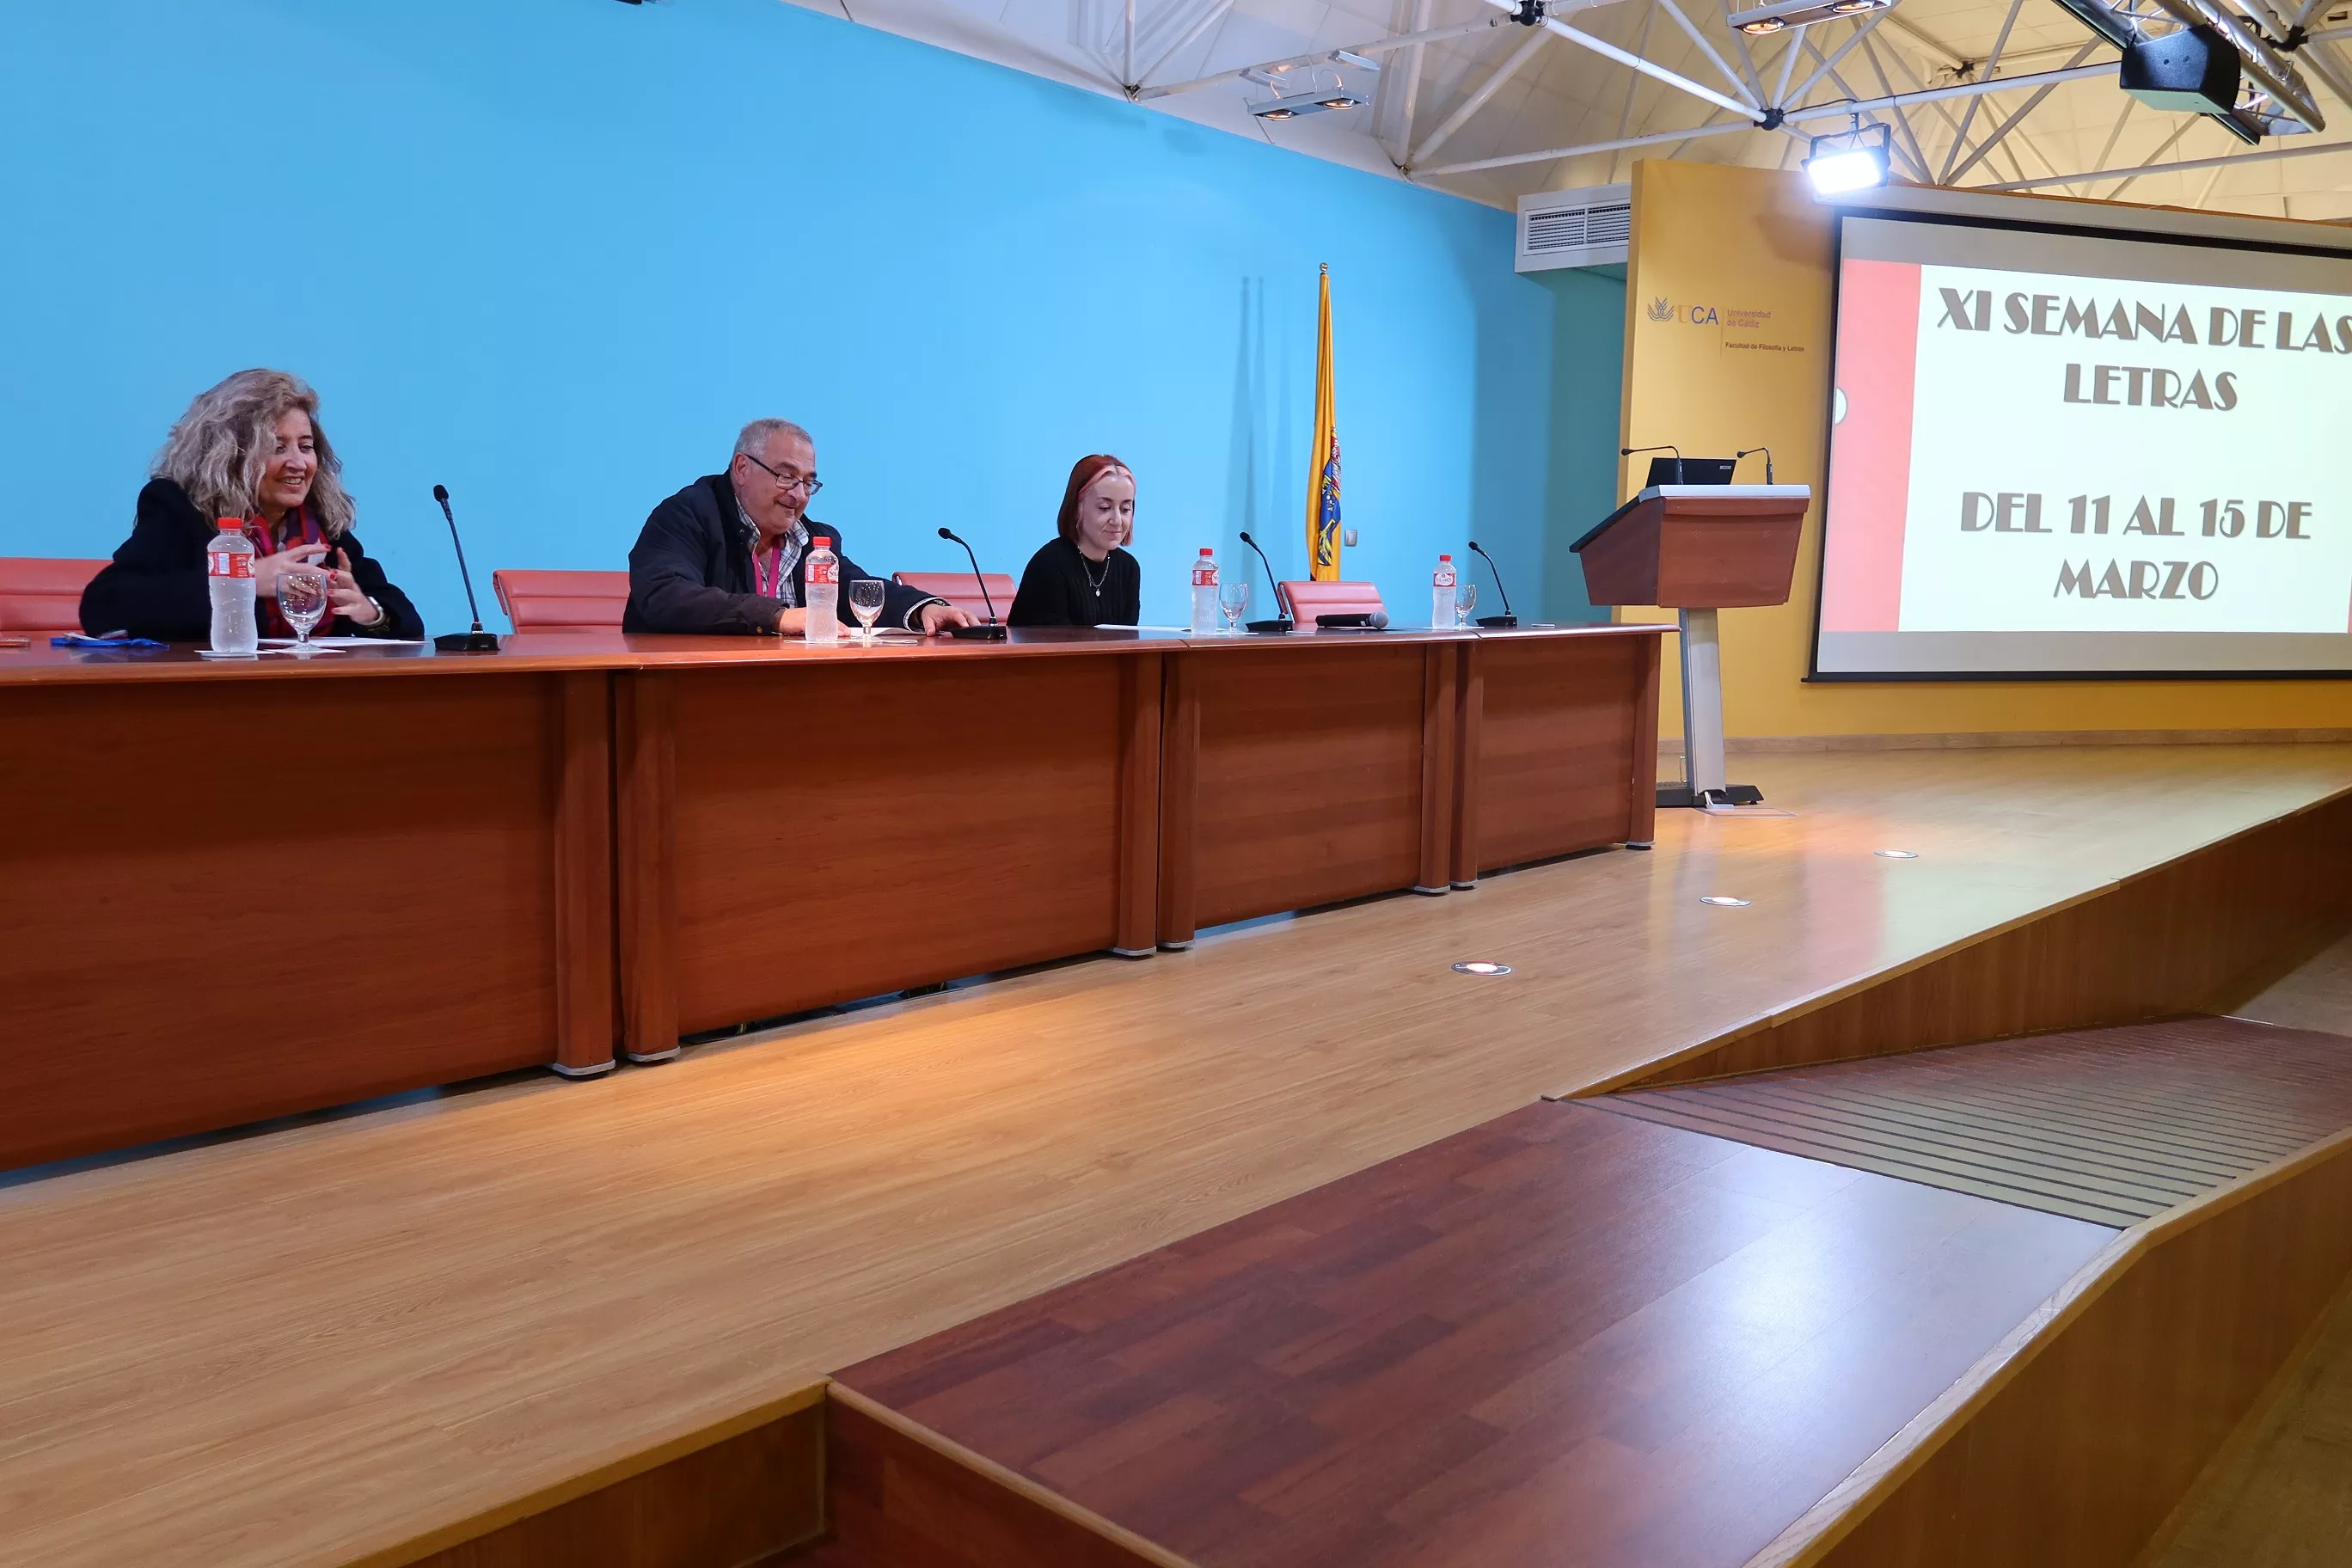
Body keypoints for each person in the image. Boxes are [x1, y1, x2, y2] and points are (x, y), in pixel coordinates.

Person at [82, 370, 422, 640]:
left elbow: (406, 618)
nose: (298, 464)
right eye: (277, 448)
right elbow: (106, 606)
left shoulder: (319, 521)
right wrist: (244, 581)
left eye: (305, 446)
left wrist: (367, 610)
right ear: (231, 456)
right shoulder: (180, 508)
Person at [624, 420, 974, 636]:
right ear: (742, 468)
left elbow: (858, 590)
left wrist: (926, 608)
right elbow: (664, 594)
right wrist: (776, 618)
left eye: (808, 483)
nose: (799, 494)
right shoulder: (687, 515)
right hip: (694, 687)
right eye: (786, 476)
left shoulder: (813, 541)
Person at [1008, 454, 1142, 628]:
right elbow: (1052, 648)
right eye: (1104, 508)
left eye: (1125, 509)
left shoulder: (1128, 568)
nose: (1117, 520)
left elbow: (1128, 646)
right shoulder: (1050, 564)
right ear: (1077, 507)